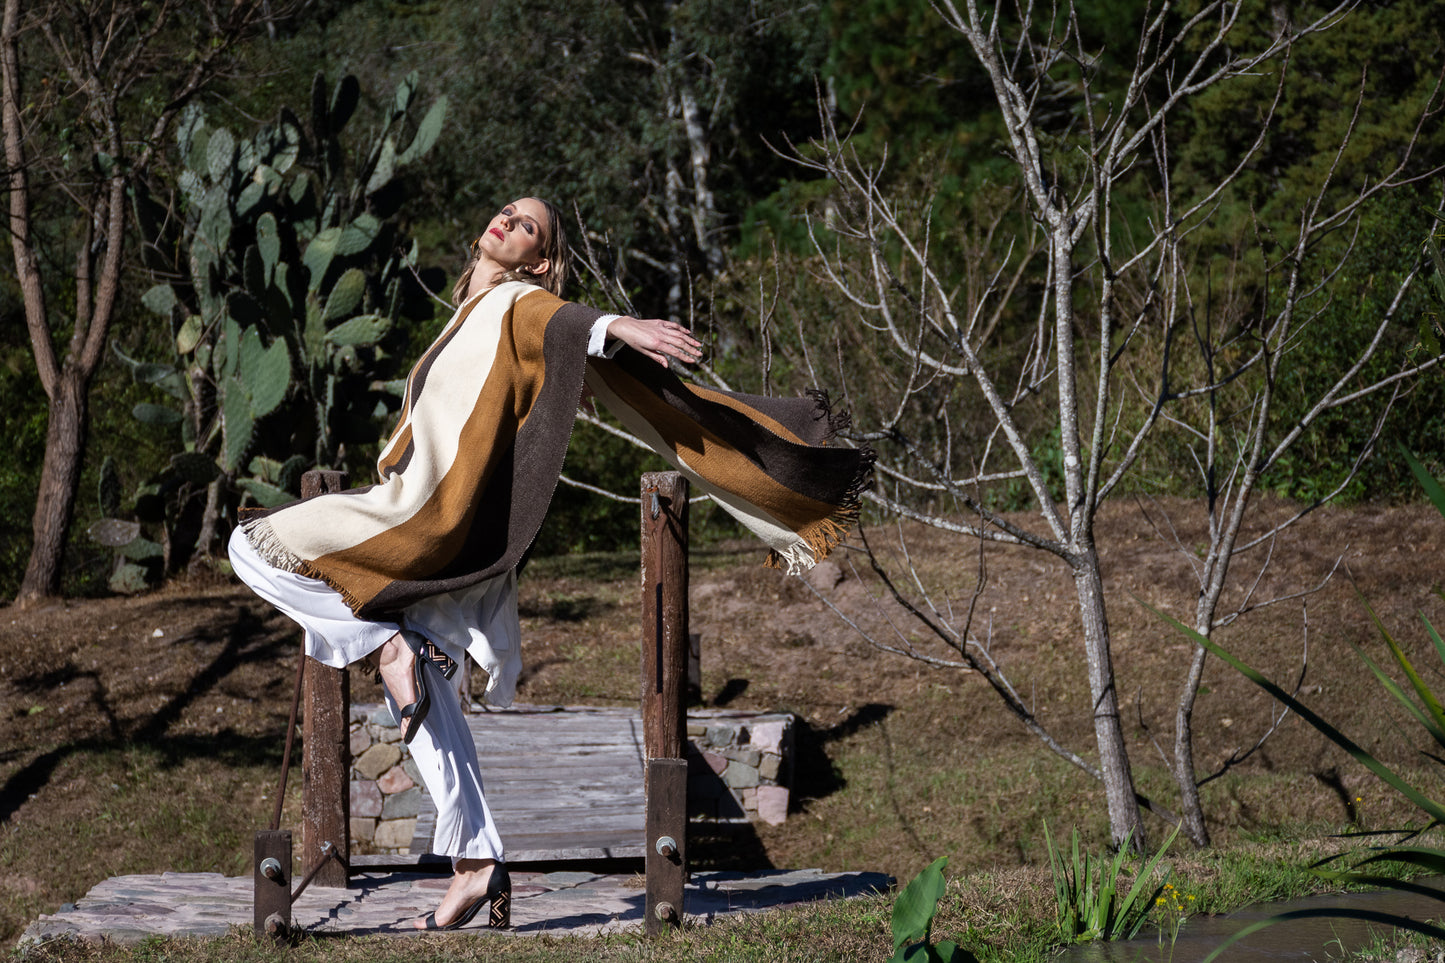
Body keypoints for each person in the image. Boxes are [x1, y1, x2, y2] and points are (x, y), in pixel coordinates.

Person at [229, 196, 872, 931]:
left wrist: (615, 325)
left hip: (419, 514)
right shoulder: (469, 313)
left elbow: (556, 319)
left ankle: (388, 641)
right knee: (430, 707)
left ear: (537, 259)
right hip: (432, 517)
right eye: (506, 210)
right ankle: (474, 861)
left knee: (248, 544)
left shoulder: (517, 298)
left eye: (528, 224)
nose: (509, 219)